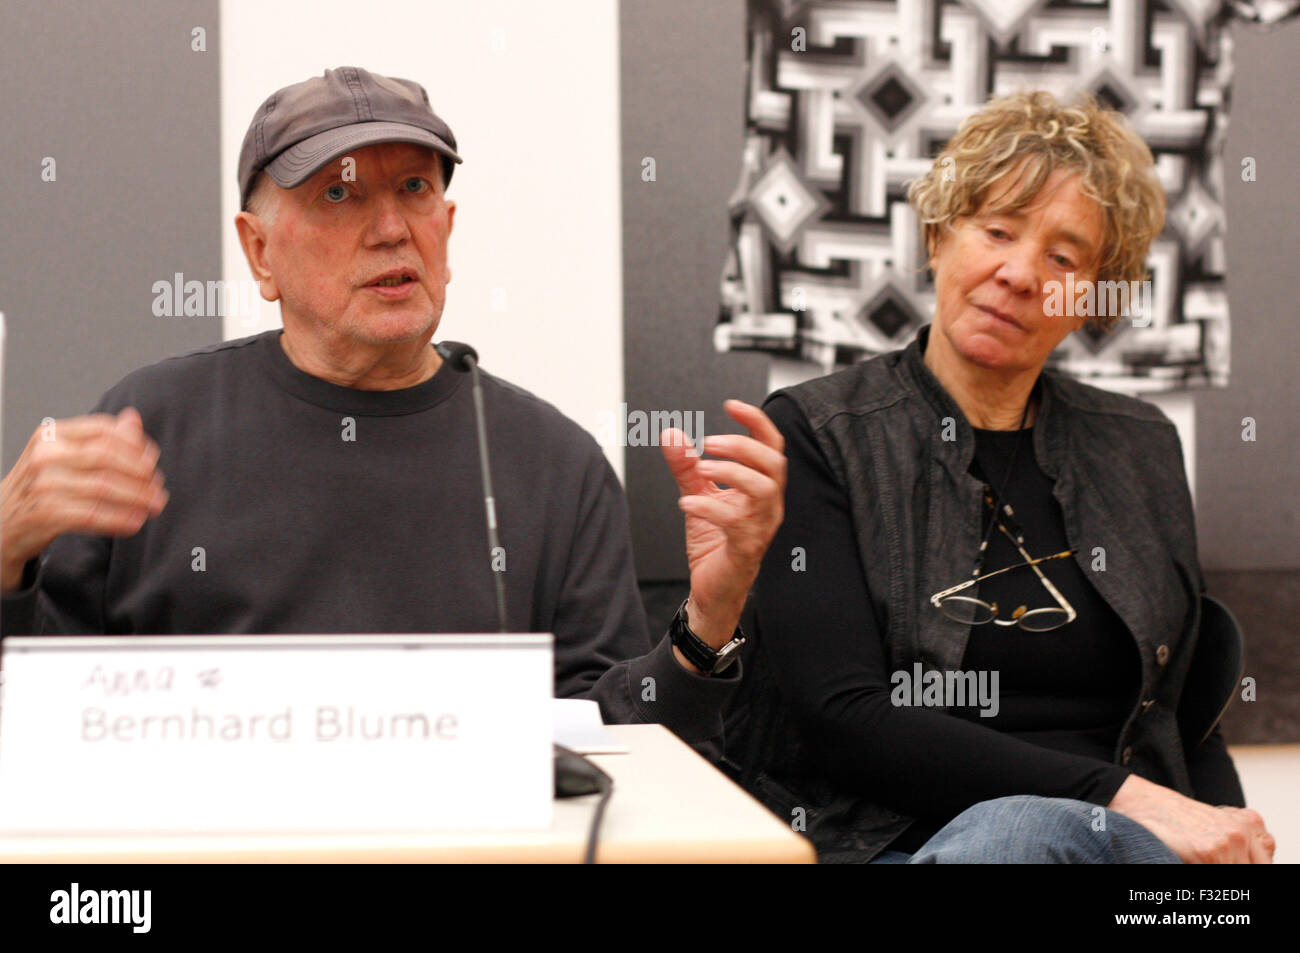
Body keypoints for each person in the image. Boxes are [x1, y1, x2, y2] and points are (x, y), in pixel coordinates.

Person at [0, 67, 787, 755]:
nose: (388, 229)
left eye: (414, 188)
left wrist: (706, 622)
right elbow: (37, 719)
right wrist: (3, 562)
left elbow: (616, 751)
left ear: (447, 227)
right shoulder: (149, 425)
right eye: (338, 194)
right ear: (258, 251)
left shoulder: (555, 463)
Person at [722, 89, 1276, 862]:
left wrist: (1227, 852)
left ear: (1091, 294)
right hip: (897, 841)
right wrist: (1113, 795)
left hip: (1126, 852)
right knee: (1024, 833)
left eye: (1063, 256)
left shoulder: (1139, 444)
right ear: (941, 235)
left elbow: (1180, 712)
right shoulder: (819, 434)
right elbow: (843, 716)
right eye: (997, 230)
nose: (1020, 273)